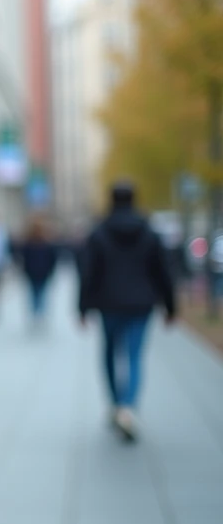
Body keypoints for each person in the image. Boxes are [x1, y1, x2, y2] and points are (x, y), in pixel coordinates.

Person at [78, 181, 177, 441]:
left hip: (108, 303)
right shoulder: (149, 231)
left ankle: (115, 405)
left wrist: (82, 307)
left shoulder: (98, 232)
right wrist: (170, 305)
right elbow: (162, 271)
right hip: (141, 304)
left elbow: (88, 272)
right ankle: (128, 406)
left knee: (110, 352)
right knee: (134, 355)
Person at [16, 214, 59, 328]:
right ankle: (39, 314)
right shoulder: (43, 243)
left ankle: (37, 313)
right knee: (40, 293)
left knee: (35, 293)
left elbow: (52, 258)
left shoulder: (31, 243)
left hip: (35, 272)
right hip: (40, 272)